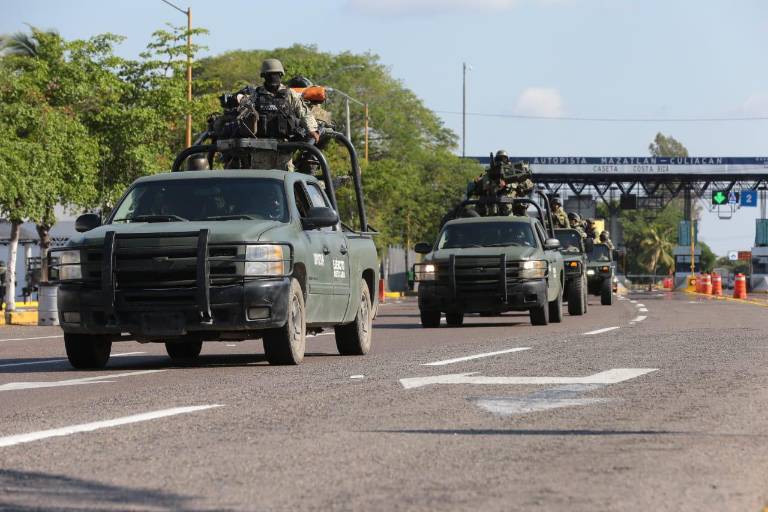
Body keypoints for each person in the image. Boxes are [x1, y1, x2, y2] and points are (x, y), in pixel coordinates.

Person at [233, 59, 320, 170]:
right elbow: (243, 113)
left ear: (280, 75)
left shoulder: (289, 94)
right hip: (261, 147)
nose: (273, 77)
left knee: (284, 180)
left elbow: (303, 111)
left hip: (284, 147)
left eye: (275, 74)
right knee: (261, 181)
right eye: (269, 75)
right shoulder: (256, 94)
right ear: (264, 76)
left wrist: (312, 129)